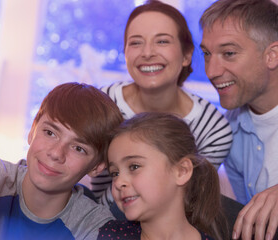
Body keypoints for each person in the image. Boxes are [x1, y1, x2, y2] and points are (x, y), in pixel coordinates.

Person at [0, 82, 124, 240]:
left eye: (78, 148)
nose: (56, 153)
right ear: (33, 130)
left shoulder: (94, 225)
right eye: (50, 133)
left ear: (97, 166)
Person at [91, 0, 233, 206]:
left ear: (186, 55)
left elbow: (189, 202)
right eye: (136, 42)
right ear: (125, 53)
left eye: (162, 41)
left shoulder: (213, 129)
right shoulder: (103, 103)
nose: (147, 53)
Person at [199, 0, 278, 239]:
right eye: (206, 54)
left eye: (229, 53)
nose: (211, 71)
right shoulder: (227, 130)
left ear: (272, 55)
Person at [98, 112, 229, 240]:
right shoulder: (107, 235)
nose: (119, 182)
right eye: (115, 173)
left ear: (181, 171)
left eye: (134, 167)